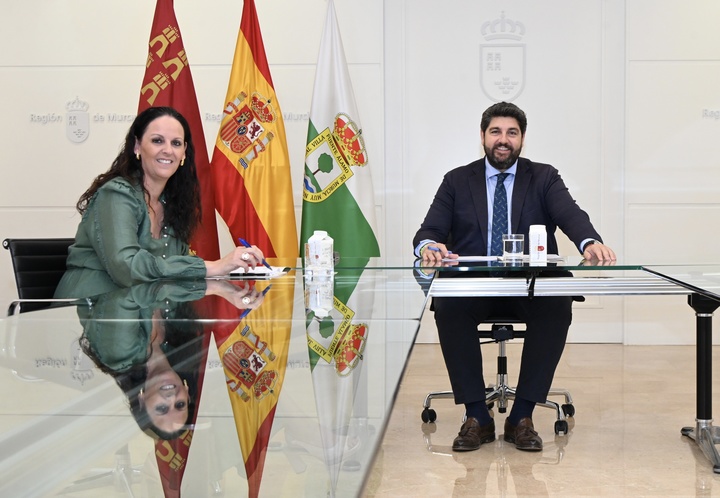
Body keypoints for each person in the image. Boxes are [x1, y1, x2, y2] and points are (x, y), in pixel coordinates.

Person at [413, 101, 616, 452]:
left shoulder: (544, 177)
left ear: (522, 139)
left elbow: (571, 215)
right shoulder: (457, 180)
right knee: (447, 306)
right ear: (482, 136)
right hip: (474, 284)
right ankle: (477, 416)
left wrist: (589, 241)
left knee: (556, 306)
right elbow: (428, 231)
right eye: (496, 132)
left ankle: (521, 416)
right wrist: (429, 247)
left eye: (512, 132)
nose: (503, 140)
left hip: (530, 283)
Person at [55, 106, 265, 299]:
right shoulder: (116, 195)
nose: (167, 150)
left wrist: (226, 291)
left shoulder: (175, 202)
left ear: (183, 153)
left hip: (142, 309)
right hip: (92, 312)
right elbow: (127, 270)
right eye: (157, 141)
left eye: (176, 143)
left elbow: (175, 268)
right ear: (137, 146)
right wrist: (213, 267)